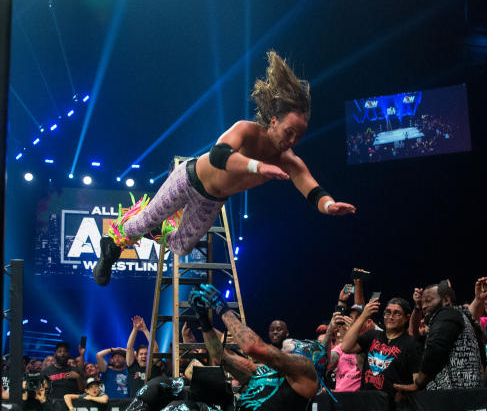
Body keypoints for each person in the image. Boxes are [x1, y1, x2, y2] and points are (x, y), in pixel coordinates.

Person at [92, 50, 356, 285]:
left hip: (212, 200)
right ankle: (111, 243)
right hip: (188, 178)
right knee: (147, 218)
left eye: (299, 136)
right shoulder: (247, 130)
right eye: (289, 132)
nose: (292, 141)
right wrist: (258, 167)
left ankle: (154, 228)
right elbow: (219, 154)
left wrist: (329, 206)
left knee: (181, 247)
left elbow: (313, 190)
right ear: (274, 121)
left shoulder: (289, 161)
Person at [50, 284, 324, 411]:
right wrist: (205, 323)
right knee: (161, 385)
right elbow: (220, 358)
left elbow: (254, 347)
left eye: (296, 344)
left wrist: (222, 308)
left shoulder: (305, 372)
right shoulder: (263, 374)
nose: (291, 344)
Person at [395, 281, 484, 392]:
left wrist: (418, 383)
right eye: (422, 303)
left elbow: (436, 347)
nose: (424, 306)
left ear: (446, 300)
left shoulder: (447, 313)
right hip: (464, 394)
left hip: (450, 395)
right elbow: (414, 335)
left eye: (428, 301)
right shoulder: (460, 317)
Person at [340, 296, 422, 392]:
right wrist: (364, 316)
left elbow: (417, 383)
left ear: (406, 318)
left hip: (393, 404)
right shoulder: (372, 335)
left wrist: (404, 392)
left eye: (397, 313)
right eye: (387, 312)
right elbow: (346, 347)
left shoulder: (411, 344)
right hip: (366, 402)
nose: (390, 317)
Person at [125, 315, 152, 396]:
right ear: (136, 356)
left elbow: (155, 349)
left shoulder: (153, 365)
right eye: (141, 354)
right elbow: (129, 348)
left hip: (153, 403)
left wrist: (145, 330)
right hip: (135, 403)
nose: (144, 356)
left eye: (146, 354)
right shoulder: (132, 366)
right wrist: (135, 329)